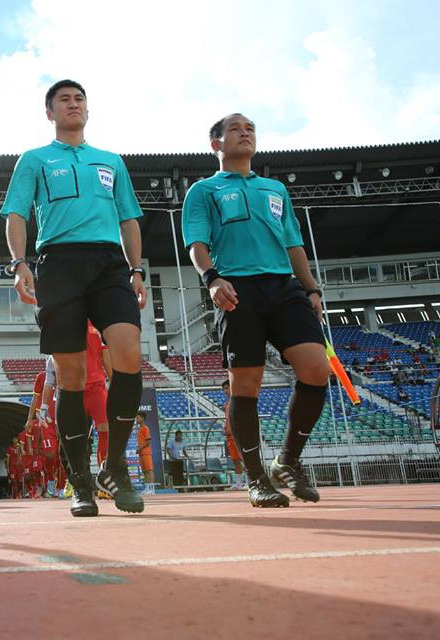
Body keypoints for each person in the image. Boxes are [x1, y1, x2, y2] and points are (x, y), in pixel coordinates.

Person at [2, 79, 147, 517]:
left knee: (129, 355)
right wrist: (19, 263)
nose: (73, 104)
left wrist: (137, 268)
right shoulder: (34, 160)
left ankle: (115, 466)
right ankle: (80, 482)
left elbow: (129, 218)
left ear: (88, 109)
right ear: (50, 113)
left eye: (79, 99)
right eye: (63, 100)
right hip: (58, 263)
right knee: (70, 375)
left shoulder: (111, 162)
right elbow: (15, 213)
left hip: (108, 264)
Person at [182, 113, 328, 508]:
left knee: (317, 370)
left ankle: (288, 461)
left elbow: (293, 243)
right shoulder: (204, 190)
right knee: (245, 385)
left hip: (284, 287)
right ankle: (256, 478)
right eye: (235, 129)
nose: (245, 133)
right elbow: (196, 242)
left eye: (250, 129)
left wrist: (311, 288)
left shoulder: (275, 189)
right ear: (216, 144)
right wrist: (212, 278)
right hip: (236, 289)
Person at [84, 321, 113, 469]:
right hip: (74, 388)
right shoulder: (68, 320)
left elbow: (106, 359)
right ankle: (79, 477)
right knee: (76, 436)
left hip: (97, 387)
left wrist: (115, 387)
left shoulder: (100, 326)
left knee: (105, 429)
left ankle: (104, 473)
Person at [222, 380, 246, 489]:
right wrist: (225, 427)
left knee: (244, 458)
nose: (225, 391)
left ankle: (251, 481)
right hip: (230, 436)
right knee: (235, 459)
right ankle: (239, 483)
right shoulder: (227, 404)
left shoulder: (238, 402)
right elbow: (228, 419)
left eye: (227, 388)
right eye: (224, 389)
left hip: (238, 435)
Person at [135, 411, 154, 486]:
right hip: (141, 453)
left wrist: (139, 448)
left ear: (142, 418)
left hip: (146, 452)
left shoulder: (145, 428)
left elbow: (148, 441)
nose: (136, 420)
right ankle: (147, 487)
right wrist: (138, 448)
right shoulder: (140, 429)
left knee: (149, 470)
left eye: (137, 418)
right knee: (145, 471)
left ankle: (151, 488)